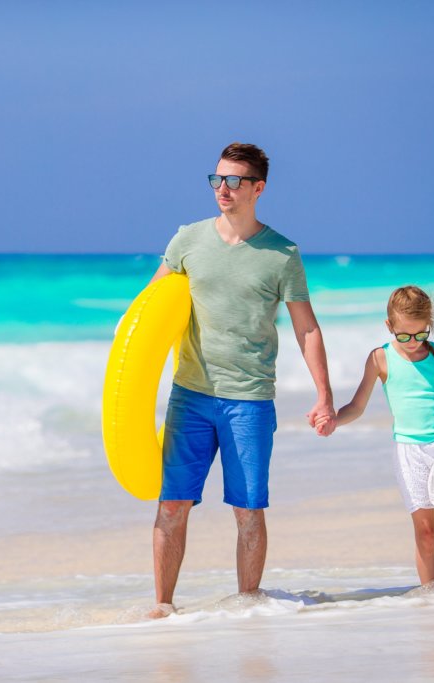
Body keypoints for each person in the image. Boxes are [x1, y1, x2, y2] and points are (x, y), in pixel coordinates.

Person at [147, 142, 335, 618]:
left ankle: (249, 605)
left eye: (233, 181)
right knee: (172, 506)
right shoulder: (188, 240)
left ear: (258, 188)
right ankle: (163, 607)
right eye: (216, 180)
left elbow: (306, 326)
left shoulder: (281, 254)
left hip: (248, 399)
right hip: (191, 394)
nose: (222, 190)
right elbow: (151, 307)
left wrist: (324, 394)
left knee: (249, 511)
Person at [320, 285, 434, 601]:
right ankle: (433, 592)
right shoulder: (380, 358)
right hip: (409, 452)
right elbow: (357, 406)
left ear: (429, 327)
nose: (412, 343)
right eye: (404, 336)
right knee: (426, 534)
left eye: (420, 335)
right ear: (389, 326)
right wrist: (334, 421)